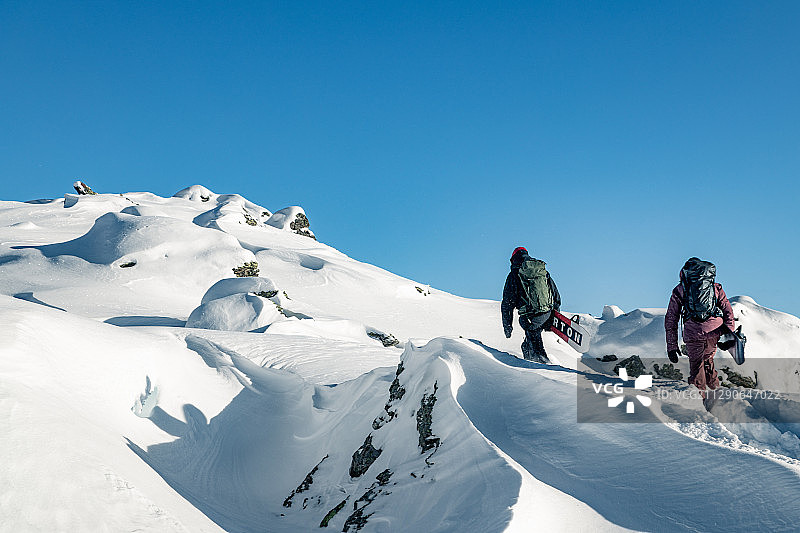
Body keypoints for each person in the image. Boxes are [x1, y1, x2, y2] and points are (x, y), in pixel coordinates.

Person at [664, 257, 735, 394]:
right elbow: (727, 310)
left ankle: (699, 402)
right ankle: (717, 394)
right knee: (708, 360)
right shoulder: (715, 287)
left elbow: (671, 318)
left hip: (693, 332)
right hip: (714, 330)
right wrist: (729, 332)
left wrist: (672, 346)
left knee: (697, 365)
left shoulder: (680, 289)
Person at [501, 247, 561, 363]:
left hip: (530, 317)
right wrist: (555, 312)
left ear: (513, 259)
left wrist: (507, 326)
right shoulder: (541, 271)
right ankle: (532, 364)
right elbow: (555, 292)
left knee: (536, 348)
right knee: (527, 345)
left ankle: (544, 367)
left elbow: (507, 304)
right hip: (547, 313)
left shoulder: (514, 274)